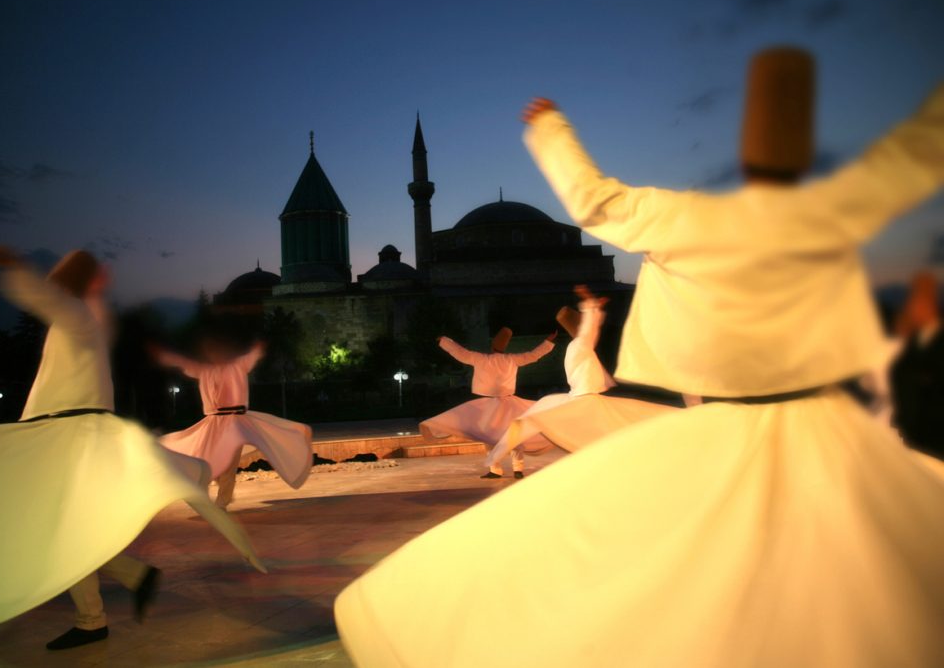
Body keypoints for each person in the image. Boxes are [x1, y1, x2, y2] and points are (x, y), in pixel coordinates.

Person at [335, 49, 944, 667]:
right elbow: (914, 156)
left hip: (732, 427)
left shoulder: (694, 219)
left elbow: (597, 202)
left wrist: (551, 130)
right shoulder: (828, 210)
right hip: (826, 427)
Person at [0, 247, 264, 650]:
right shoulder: (91, 315)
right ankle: (129, 583)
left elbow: (42, 298)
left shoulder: (79, 314)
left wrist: (14, 267)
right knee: (65, 528)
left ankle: (96, 614)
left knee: (60, 529)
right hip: (70, 431)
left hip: (67, 434)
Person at [487, 284, 677, 468]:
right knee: (628, 420)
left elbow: (589, 329)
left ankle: (495, 457)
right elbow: (589, 329)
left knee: (531, 420)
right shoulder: (579, 344)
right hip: (580, 398)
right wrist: (591, 304)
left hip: (580, 398)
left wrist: (591, 305)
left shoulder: (577, 345)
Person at [152, 337, 313, 509]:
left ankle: (223, 501)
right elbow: (183, 363)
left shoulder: (237, 365)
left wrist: (259, 347)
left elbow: (252, 355)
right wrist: (165, 355)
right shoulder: (205, 369)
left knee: (228, 463)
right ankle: (218, 492)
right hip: (214, 422)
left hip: (236, 422)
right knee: (207, 460)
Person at [421, 327, 556, 478]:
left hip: (489, 405)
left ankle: (496, 469)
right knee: (513, 436)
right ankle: (517, 469)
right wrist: (548, 342)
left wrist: (444, 341)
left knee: (489, 436)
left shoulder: (482, 359)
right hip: (508, 404)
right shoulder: (511, 359)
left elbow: (460, 353)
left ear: (492, 346)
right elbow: (534, 355)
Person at [890, 271, 944, 458]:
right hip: (913, 441)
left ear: (927, 302)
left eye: (914, 300)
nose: (909, 307)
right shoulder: (912, 343)